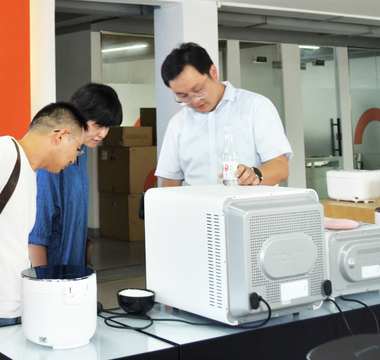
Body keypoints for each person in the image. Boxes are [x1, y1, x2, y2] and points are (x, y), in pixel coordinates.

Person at [0, 102, 90, 332]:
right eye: (77, 149)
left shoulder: (29, 173)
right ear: (60, 136)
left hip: (12, 307)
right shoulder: (3, 151)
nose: (74, 159)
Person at [155, 42, 291, 187]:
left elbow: (280, 168)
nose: (194, 101)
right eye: (183, 96)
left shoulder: (255, 107)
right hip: (198, 202)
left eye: (198, 90)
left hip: (246, 201)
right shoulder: (179, 123)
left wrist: (254, 175)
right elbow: (170, 181)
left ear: (213, 72)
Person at [29, 83, 122, 268]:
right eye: (98, 125)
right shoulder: (52, 160)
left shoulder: (82, 151)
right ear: (77, 116)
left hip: (74, 266)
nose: (103, 134)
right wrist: (43, 280)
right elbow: (37, 235)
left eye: (108, 127)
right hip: (54, 269)